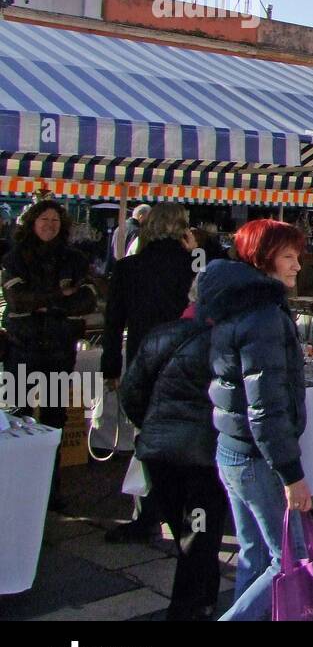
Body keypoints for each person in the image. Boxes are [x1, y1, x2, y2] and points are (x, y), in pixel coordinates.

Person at [205, 219, 312, 621]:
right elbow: (265, 408)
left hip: (233, 451)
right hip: (254, 458)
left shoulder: (236, 303)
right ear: (264, 259)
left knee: (254, 555)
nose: (296, 266)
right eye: (288, 256)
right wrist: (291, 473)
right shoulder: (263, 313)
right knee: (290, 560)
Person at [119, 277, 227, 620]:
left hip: (160, 454)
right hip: (203, 456)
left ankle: (203, 599)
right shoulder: (227, 342)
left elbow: (131, 393)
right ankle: (185, 609)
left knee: (192, 533)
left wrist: (153, 428)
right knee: (198, 535)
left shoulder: (159, 334)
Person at [102, 203, 197, 543]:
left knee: (148, 436)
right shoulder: (193, 266)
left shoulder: (129, 268)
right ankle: (181, 508)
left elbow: (113, 324)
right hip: (187, 361)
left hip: (144, 358)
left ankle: (149, 512)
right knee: (184, 435)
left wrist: (111, 367)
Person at [0, 199, 98, 510]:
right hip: (21, 351)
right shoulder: (15, 258)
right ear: (32, 222)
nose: (49, 225)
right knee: (17, 421)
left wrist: (42, 303)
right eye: (44, 219)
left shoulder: (75, 259)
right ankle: (15, 490)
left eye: (55, 220)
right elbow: (16, 301)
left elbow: (87, 301)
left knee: (54, 424)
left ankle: (51, 493)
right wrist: (59, 297)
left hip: (58, 353)